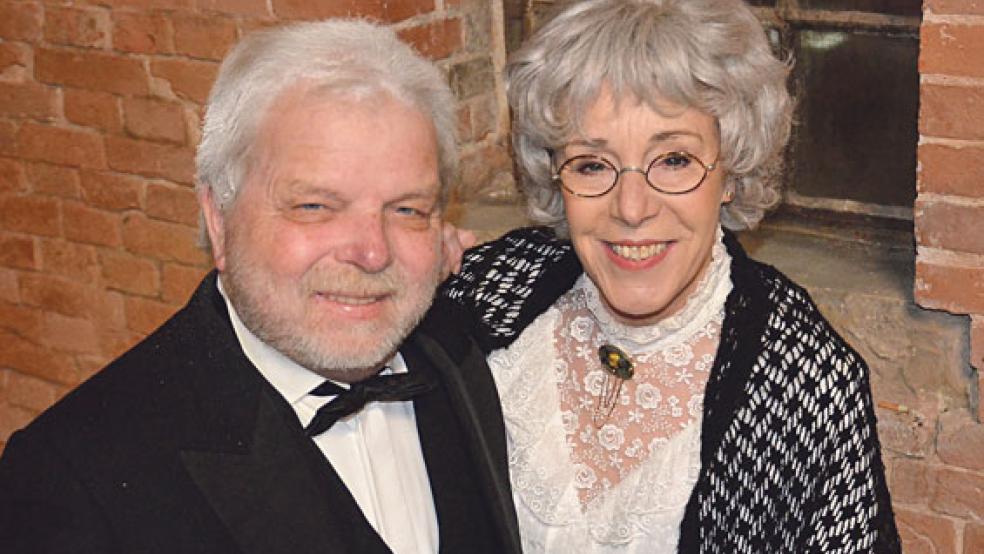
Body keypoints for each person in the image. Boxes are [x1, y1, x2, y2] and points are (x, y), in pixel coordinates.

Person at [0, 20, 521, 554]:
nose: (372, 253)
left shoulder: (463, 350)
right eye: (315, 207)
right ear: (218, 220)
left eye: (407, 209)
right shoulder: (75, 479)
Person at [440, 0, 901, 551]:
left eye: (674, 160)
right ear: (556, 175)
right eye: (592, 164)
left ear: (730, 170)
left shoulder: (807, 382)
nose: (632, 208)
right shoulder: (488, 296)